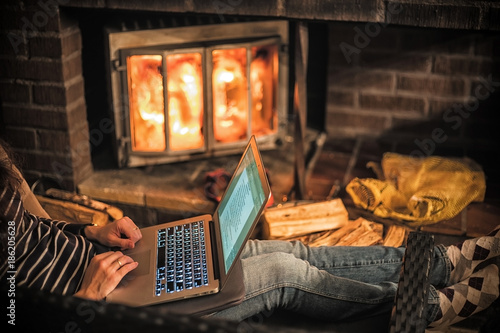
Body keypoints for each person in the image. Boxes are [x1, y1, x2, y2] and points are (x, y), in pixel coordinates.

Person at [1, 140, 499, 330]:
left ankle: (447, 262)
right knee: (283, 273)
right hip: (102, 306)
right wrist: (86, 297)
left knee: (283, 248)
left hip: (114, 263)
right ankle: (430, 308)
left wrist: (89, 229)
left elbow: (23, 236)